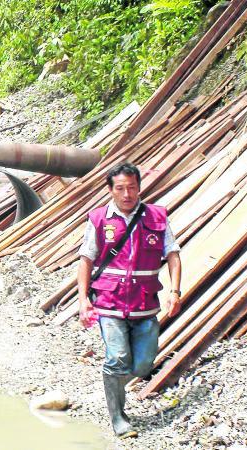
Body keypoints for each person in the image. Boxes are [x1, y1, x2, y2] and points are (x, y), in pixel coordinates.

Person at [77, 162, 182, 439]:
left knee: (143, 365)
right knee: (118, 359)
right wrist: (83, 300)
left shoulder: (157, 217)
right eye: (120, 188)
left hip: (145, 305)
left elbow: (173, 254)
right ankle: (118, 417)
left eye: (132, 188)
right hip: (109, 303)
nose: (127, 194)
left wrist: (174, 292)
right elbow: (86, 259)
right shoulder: (99, 219)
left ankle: (114, 382)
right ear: (110, 190)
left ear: (139, 188)